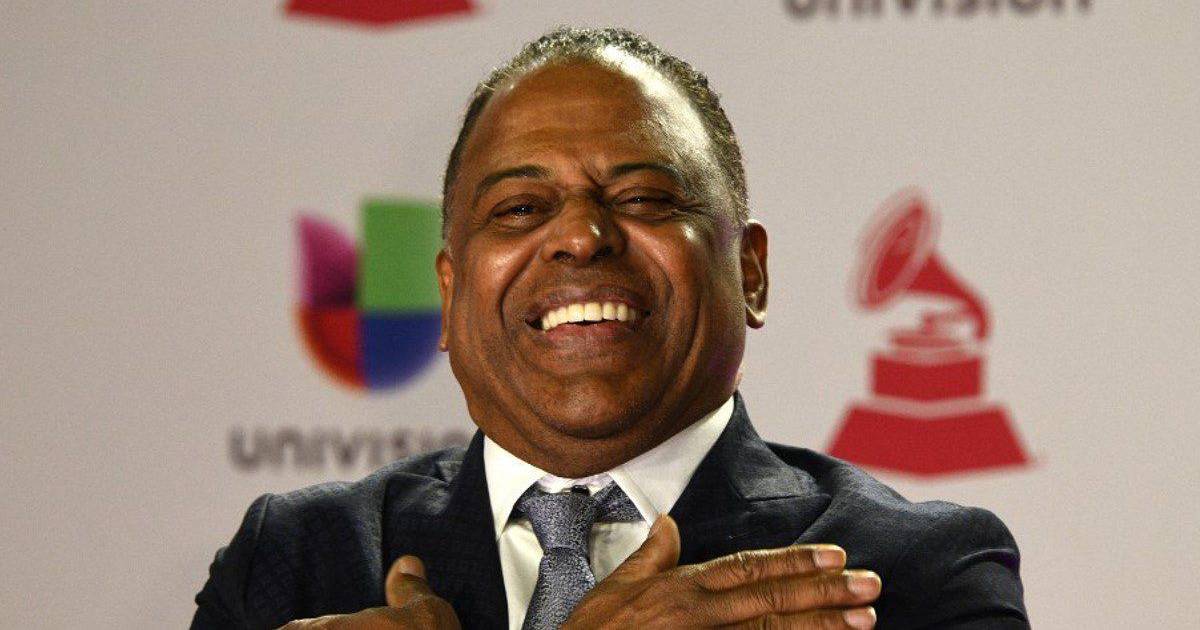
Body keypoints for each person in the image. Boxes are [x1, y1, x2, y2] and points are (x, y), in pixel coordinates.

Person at [191, 27, 1028, 630]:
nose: (581, 236)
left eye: (643, 199)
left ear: (750, 272)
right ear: (449, 296)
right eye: (520, 208)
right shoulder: (295, 564)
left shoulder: (911, 576)